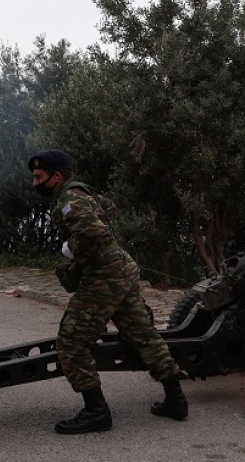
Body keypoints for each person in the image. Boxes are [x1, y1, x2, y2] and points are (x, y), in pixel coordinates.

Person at [28, 149, 188, 434]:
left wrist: (71, 248)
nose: (35, 183)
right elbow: (109, 208)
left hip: (104, 277)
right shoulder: (82, 193)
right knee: (143, 335)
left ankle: (96, 411)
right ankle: (176, 399)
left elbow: (95, 233)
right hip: (122, 270)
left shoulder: (70, 198)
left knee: (72, 342)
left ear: (57, 176)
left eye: (39, 177)